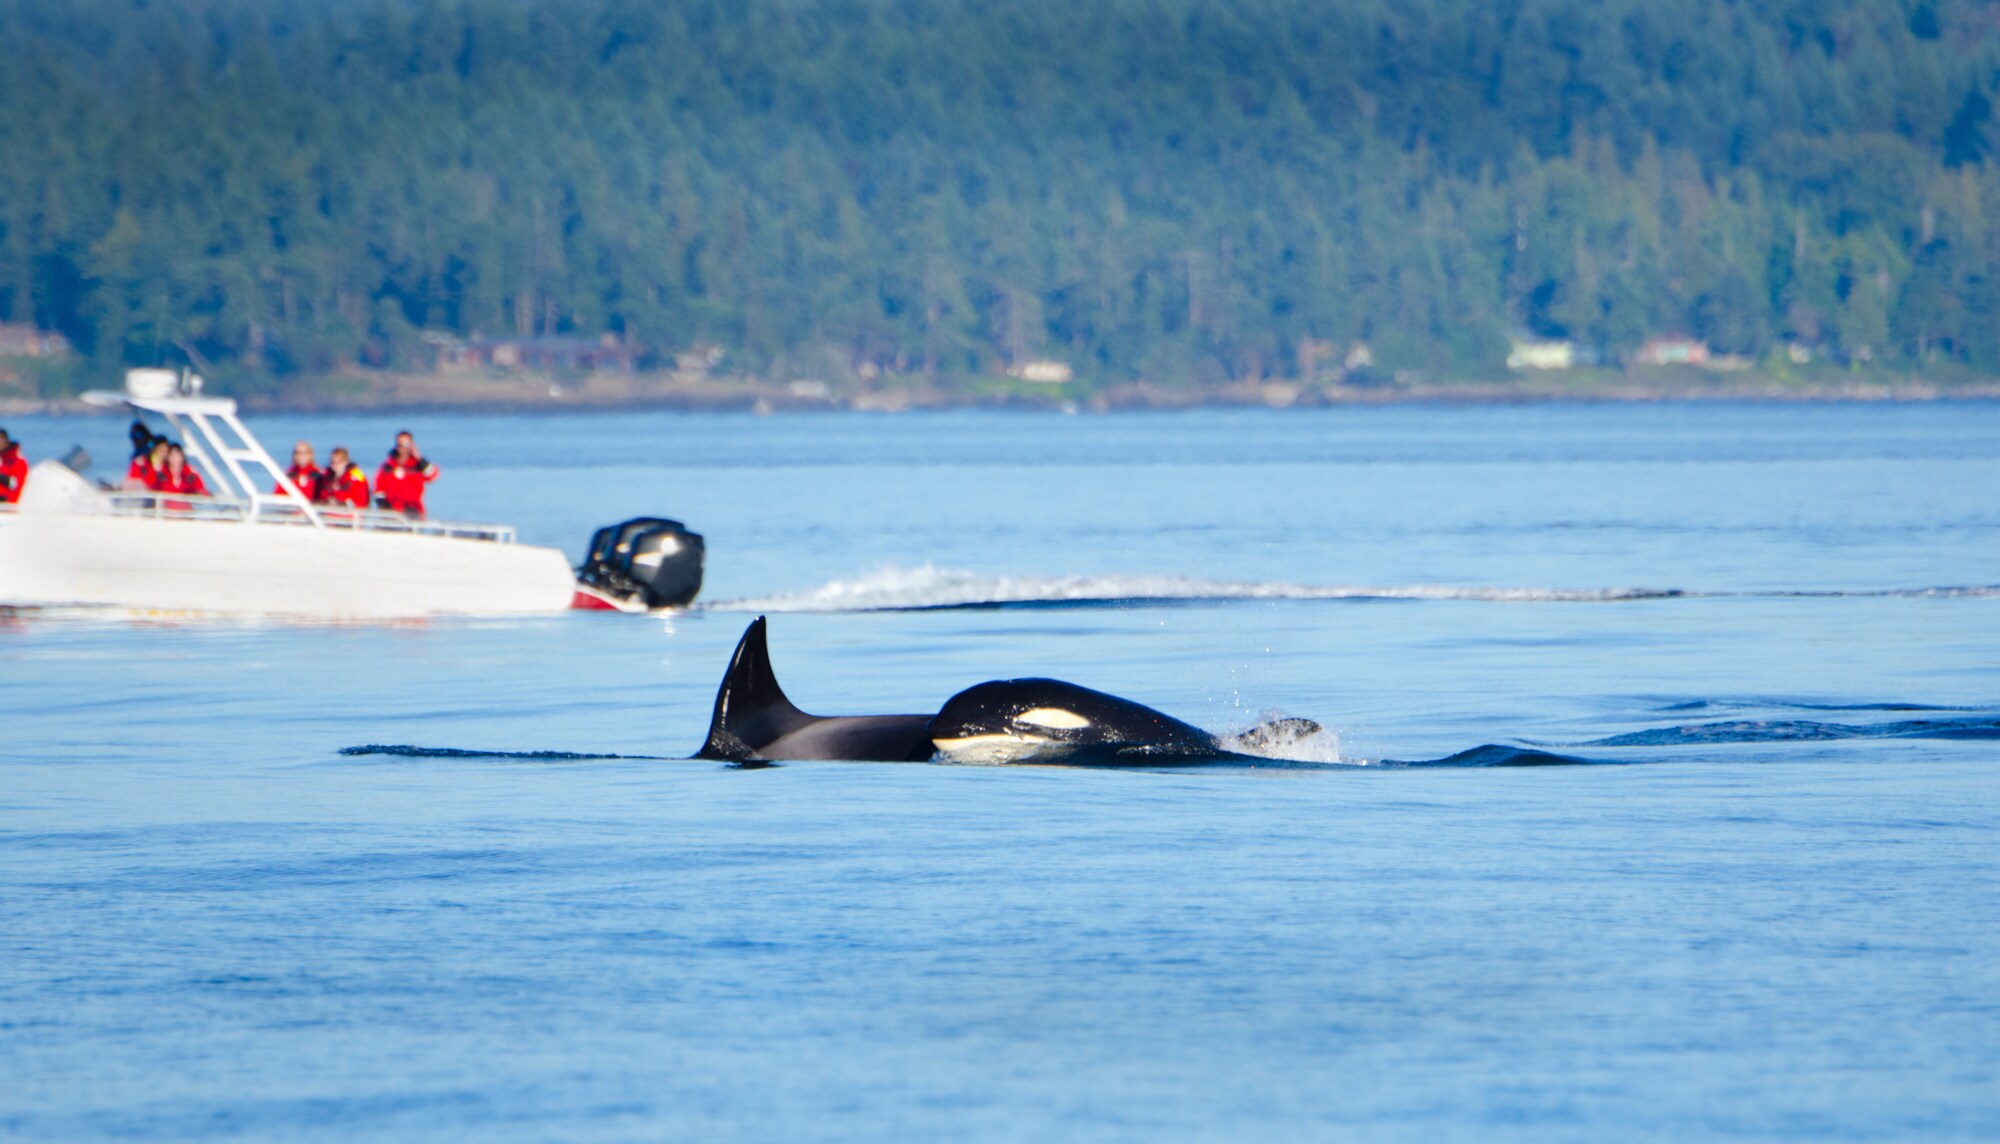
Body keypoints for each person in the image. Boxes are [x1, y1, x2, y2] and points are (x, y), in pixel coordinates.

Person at [374, 430, 437, 517]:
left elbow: (432, 475)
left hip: (412, 509)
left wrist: (419, 458)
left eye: (406, 444)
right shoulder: (388, 466)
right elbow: (378, 490)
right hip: (392, 510)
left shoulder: (418, 465)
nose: (402, 447)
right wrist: (384, 506)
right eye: (400, 444)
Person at [0, 428, 26, 505]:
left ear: (6, 442)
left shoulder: (18, 461)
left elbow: (15, 484)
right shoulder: (2, 459)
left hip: (8, 502)